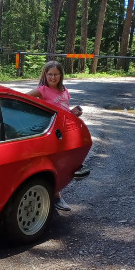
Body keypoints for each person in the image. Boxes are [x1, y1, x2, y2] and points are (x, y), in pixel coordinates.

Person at [27, 60, 85, 212]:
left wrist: (73, 112)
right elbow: (23, 100)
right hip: (50, 132)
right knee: (53, 163)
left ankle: (54, 193)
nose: (53, 77)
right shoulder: (42, 90)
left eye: (56, 74)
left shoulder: (64, 90)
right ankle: (57, 196)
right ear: (45, 75)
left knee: (63, 162)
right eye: (50, 74)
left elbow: (63, 110)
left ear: (61, 75)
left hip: (64, 131)